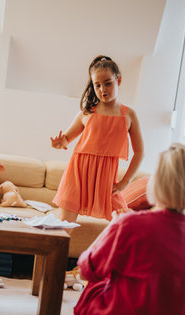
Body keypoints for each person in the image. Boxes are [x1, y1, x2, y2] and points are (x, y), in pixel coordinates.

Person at [74, 143, 185, 315]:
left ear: (156, 181)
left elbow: (86, 271)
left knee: (99, 282)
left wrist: (112, 227)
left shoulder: (129, 224)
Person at [50, 55, 144, 222]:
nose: (102, 89)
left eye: (108, 83)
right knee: (62, 230)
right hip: (77, 175)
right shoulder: (87, 112)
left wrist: (125, 181)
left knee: (125, 224)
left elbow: (140, 152)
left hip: (107, 179)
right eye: (97, 85)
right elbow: (66, 138)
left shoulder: (128, 115)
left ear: (119, 80)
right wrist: (60, 142)